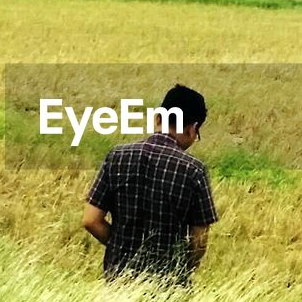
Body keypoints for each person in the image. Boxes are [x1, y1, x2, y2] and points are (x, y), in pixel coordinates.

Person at [83, 84, 217, 286]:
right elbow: (199, 241)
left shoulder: (117, 156)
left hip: (117, 282)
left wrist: (123, 248)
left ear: (157, 118)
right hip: (168, 287)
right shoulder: (194, 171)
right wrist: (180, 268)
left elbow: (91, 220)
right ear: (192, 128)